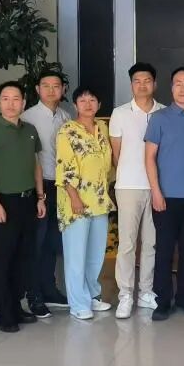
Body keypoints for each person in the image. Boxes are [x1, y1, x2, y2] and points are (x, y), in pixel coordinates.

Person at [0, 81, 46, 332]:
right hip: (3, 202)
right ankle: (4, 312)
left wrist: (40, 197)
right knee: (3, 259)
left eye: (16, 99)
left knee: (23, 258)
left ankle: (16, 306)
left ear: (23, 103)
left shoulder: (30, 130)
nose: (10, 103)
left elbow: (35, 165)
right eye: (5, 99)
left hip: (28, 201)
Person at [145, 66, 184, 321]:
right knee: (164, 251)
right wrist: (156, 192)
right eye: (178, 84)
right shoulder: (159, 118)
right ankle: (162, 301)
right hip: (166, 197)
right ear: (171, 87)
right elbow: (149, 158)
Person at [109, 63, 165, 319]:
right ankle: (125, 295)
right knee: (127, 244)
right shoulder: (119, 113)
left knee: (151, 242)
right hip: (128, 186)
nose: (142, 85)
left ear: (155, 84)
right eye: (137, 81)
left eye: (147, 80)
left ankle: (145, 292)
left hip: (157, 187)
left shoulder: (164, 112)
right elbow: (117, 154)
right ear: (131, 84)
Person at [55, 86, 114, 320]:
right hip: (75, 201)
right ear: (75, 105)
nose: (88, 104)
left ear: (99, 104)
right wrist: (74, 197)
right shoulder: (67, 130)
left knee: (95, 254)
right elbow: (64, 166)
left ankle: (93, 296)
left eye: (92, 100)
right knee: (76, 255)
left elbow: (107, 164)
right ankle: (78, 303)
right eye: (82, 100)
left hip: (99, 200)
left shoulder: (102, 128)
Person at [20, 70, 71, 318]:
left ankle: (49, 290)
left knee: (52, 241)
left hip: (60, 186)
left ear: (63, 90)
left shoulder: (66, 117)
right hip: (38, 188)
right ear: (37, 89)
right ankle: (34, 295)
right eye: (46, 85)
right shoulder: (26, 117)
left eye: (56, 86)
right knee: (36, 243)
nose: (51, 90)